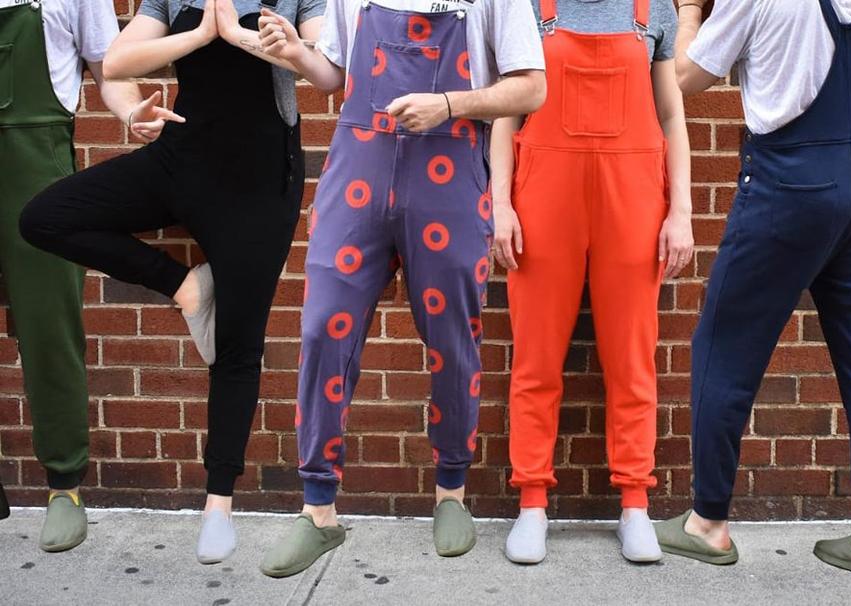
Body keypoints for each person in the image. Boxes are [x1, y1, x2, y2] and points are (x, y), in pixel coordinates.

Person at [19, 0, 325, 564]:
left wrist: (252, 39)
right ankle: (186, 285)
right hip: (181, 161)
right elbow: (116, 62)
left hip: (261, 183)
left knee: (237, 345)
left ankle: (218, 503)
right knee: (45, 218)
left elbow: (327, 72)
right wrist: (203, 33)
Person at [254, 0, 545, 577]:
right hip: (357, 168)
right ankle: (318, 508)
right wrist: (297, 55)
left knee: (453, 337)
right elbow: (337, 76)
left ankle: (451, 491)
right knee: (322, 327)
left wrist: (450, 104)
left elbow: (532, 88)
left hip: (451, 172)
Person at [654, 0, 851, 589]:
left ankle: (707, 523)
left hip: (789, 185)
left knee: (722, 353)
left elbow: (682, 80)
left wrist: (691, 12)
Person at [492, 0, 693, 565]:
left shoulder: (652, 11)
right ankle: (531, 502)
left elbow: (672, 115)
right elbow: (507, 113)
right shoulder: (531, 9)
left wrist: (681, 210)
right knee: (535, 358)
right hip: (543, 196)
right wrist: (501, 202)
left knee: (633, 359)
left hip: (633, 198)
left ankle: (635, 504)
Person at [0, 0, 179, 552]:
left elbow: (111, 69)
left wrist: (130, 114)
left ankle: (64, 485)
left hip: (31, 161)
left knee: (48, 326)